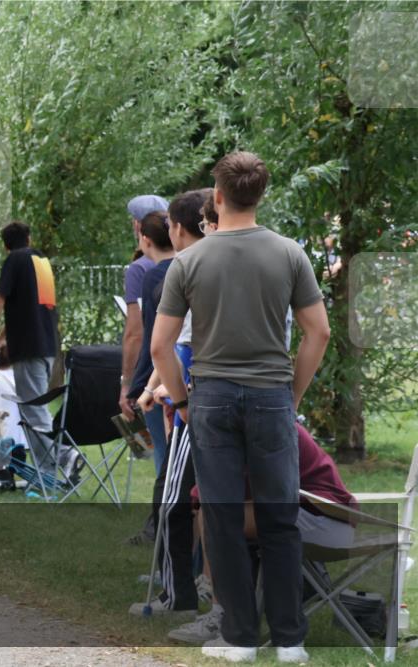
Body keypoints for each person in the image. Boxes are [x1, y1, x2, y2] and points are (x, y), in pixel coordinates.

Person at [152, 151, 331, 663]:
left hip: (212, 396)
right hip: (272, 393)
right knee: (280, 517)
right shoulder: (290, 254)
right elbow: (317, 331)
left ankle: (239, 638)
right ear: (260, 195)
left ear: (218, 197)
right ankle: (291, 639)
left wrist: (182, 400)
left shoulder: (189, 261)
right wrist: (290, 394)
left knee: (224, 518)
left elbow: (161, 347)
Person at [168, 422, 357, 645]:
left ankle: (225, 619)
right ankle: (227, 614)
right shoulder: (247, 424)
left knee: (217, 518)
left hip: (326, 519)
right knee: (214, 514)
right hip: (309, 513)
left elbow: (223, 489)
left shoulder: (264, 430)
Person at [127, 189, 211, 618]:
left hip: (194, 402)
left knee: (176, 498)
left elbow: (167, 345)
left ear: (178, 228)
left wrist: (174, 397)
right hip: (248, 398)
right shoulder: (258, 258)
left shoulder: (183, 269)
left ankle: (182, 595)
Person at [0, 221, 63, 476]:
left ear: (6, 245)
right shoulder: (41, 262)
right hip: (49, 345)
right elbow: (29, 308)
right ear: (28, 238)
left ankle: (55, 467)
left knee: (34, 409)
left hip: (28, 348)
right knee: (36, 407)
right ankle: (52, 466)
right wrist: (0, 337)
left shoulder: (14, 260)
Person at [119, 195, 169, 422]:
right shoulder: (186, 261)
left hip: (152, 377)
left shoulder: (140, 271)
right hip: (179, 374)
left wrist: (128, 384)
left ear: (140, 227)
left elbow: (135, 333)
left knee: (162, 451)